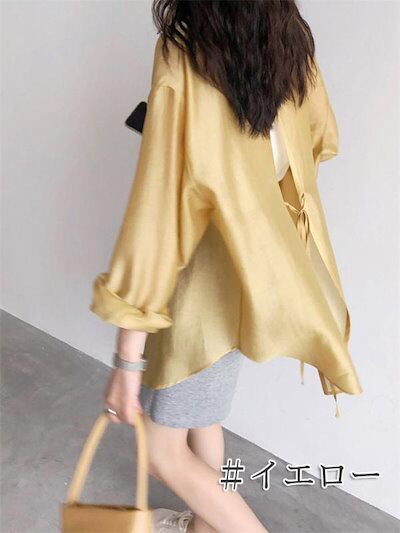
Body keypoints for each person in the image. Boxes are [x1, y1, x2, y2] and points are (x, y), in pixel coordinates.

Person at [90, 1, 362, 531]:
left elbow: (158, 213)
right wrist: (247, 178)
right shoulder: (290, 39)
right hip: (256, 264)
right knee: (203, 417)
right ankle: (201, 526)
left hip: (200, 273)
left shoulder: (184, 49)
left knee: (163, 451)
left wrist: (127, 361)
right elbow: (320, 138)